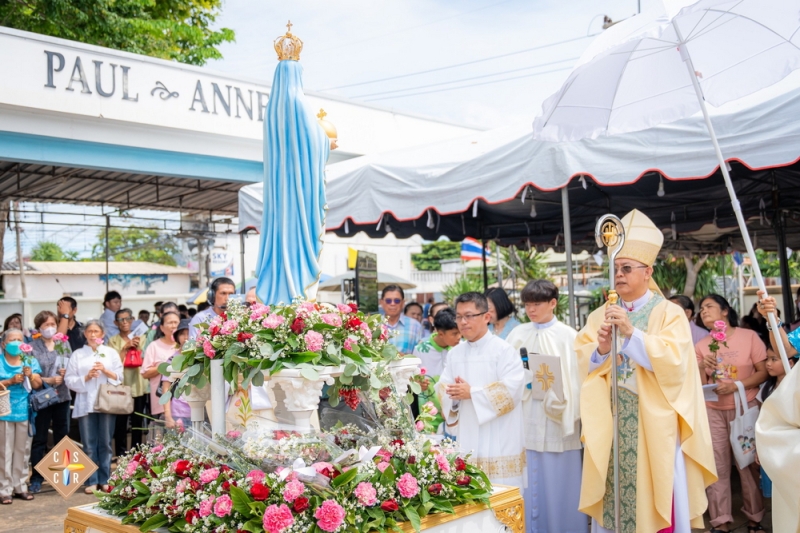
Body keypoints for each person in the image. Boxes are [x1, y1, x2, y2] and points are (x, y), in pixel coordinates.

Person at [575, 209, 716, 533]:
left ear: (648, 271)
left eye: (626, 268)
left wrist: (631, 334)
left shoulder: (669, 313)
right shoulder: (600, 315)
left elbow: (675, 364)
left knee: (657, 496)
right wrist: (601, 350)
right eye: (615, 269)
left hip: (655, 427)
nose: (619, 275)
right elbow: (584, 362)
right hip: (611, 423)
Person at [506, 279, 587, 533]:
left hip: (558, 422)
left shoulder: (570, 337)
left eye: (537, 304)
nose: (531, 310)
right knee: (529, 484)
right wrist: (525, 381)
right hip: (527, 419)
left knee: (561, 486)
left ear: (553, 303)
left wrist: (557, 394)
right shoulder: (517, 334)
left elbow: (578, 379)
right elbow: (506, 376)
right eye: (528, 304)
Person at [436, 292, 526, 488]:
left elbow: (513, 390)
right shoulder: (455, 354)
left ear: (486, 317)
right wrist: (455, 396)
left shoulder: (504, 351)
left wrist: (472, 393)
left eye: (469, 316)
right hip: (468, 434)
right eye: (459, 316)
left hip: (500, 439)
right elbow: (444, 389)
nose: (463, 322)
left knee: (501, 496)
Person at [695, 294, 768, 533]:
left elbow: (763, 372)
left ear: (725, 311)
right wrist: (703, 368)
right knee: (717, 467)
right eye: (701, 308)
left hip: (745, 409)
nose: (704, 311)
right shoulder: (702, 345)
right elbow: (699, 384)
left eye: (709, 307)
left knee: (747, 465)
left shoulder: (749, 337)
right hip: (713, 412)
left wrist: (737, 385)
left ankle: (755, 519)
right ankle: (720, 521)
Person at [65, 320, 122, 493]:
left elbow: (120, 377)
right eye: (89, 331)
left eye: (96, 331)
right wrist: (86, 377)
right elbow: (69, 379)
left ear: (102, 334)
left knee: (105, 442)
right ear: (85, 334)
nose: (92, 334)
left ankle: (105, 478)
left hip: (106, 403)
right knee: (89, 444)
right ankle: (91, 480)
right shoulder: (78, 354)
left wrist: (105, 371)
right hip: (86, 404)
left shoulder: (110, 353)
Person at [28, 311, 72, 494]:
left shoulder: (63, 343)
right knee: (40, 439)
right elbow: (31, 374)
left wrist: (65, 374)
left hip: (62, 396)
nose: (50, 328)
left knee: (62, 437)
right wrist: (49, 379)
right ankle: (37, 477)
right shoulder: (32, 347)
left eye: (52, 324)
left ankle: (63, 477)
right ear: (39, 328)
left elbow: (72, 366)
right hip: (42, 397)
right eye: (46, 325)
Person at [0, 329, 42, 504]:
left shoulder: (29, 360)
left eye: (19, 339)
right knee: (4, 451)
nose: (16, 342)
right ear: (3, 344)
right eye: (12, 340)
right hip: (4, 412)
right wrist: (9, 381)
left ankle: (20, 486)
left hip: (24, 412)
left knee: (23, 451)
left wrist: (30, 375)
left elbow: (38, 384)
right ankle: (4, 488)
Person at [411, 308, 461, 433]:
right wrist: (417, 385)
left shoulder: (461, 348)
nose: (459, 337)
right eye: (454, 333)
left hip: (455, 413)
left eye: (460, 332)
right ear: (440, 333)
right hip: (429, 415)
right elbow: (412, 382)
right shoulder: (421, 349)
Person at [108, 308, 147, 458]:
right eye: (121, 320)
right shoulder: (113, 341)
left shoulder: (142, 338)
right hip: (121, 386)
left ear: (132, 319)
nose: (124, 322)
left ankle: (136, 455)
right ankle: (121, 455)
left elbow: (146, 358)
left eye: (127, 319)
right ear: (115, 323)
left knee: (137, 422)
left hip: (138, 385)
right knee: (120, 424)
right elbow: (112, 363)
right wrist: (125, 347)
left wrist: (136, 347)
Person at [141, 311, 181, 423]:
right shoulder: (154, 346)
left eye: (176, 322)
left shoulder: (185, 345)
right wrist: (163, 367)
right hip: (161, 401)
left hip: (183, 403)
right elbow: (145, 373)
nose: (173, 326)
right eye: (170, 323)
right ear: (162, 328)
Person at [161, 319, 193, 431]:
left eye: (189, 333)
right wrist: (168, 416)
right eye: (182, 334)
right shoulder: (172, 360)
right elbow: (166, 389)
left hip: (200, 413)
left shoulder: (203, 358)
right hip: (178, 413)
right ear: (177, 338)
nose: (186, 337)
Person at [381, 285, 423, 355]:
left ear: (403, 303)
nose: (392, 304)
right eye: (388, 301)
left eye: (397, 301)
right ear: (381, 302)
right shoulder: (373, 325)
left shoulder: (415, 326)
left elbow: (421, 354)